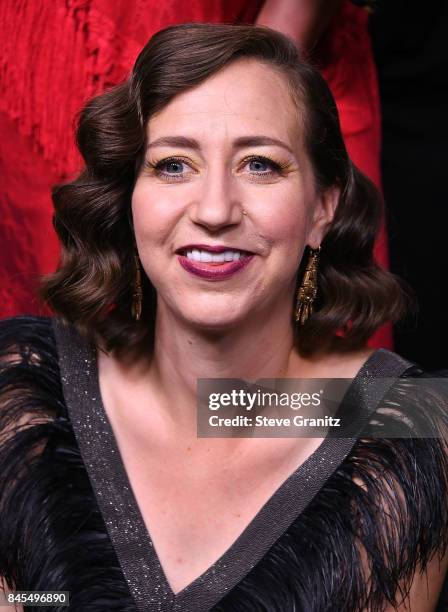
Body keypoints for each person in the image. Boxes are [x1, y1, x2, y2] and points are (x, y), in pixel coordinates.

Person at [0, 23, 447, 612]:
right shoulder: (24, 392)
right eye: (172, 165)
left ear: (323, 206)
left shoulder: (409, 424)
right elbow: (31, 598)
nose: (214, 210)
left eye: (260, 164)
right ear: (128, 196)